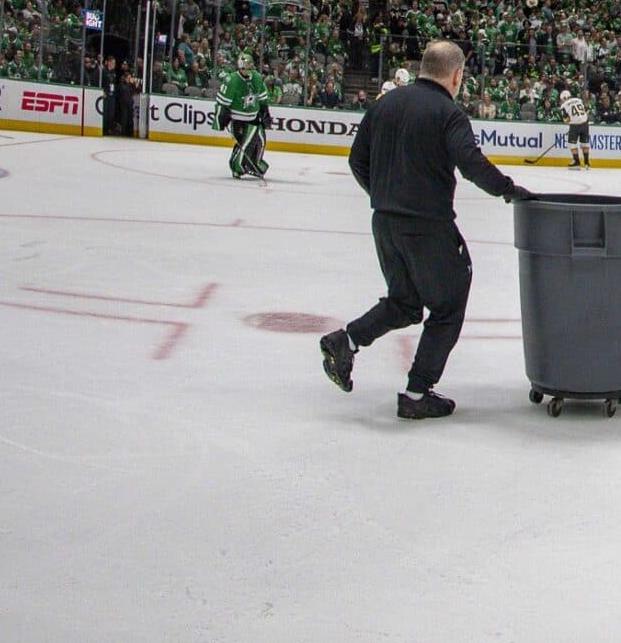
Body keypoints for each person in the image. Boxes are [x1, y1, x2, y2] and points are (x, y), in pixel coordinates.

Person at [319, 41, 532, 419]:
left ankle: (346, 340)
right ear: (457, 75)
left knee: (405, 303)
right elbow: (470, 163)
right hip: (428, 227)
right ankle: (417, 393)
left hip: (385, 223)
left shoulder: (384, 104)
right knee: (447, 307)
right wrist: (508, 190)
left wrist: (384, 196)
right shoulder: (448, 113)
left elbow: (356, 160)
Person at [216, 53, 274, 179]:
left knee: (260, 141)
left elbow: (262, 96)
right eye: (246, 65)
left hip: (254, 117)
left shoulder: (256, 77)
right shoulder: (231, 80)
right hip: (238, 119)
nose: (249, 67)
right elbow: (222, 102)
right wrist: (221, 118)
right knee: (246, 144)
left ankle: (254, 164)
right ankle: (237, 166)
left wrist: (265, 111)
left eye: (250, 64)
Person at [561, 90, 591, 168]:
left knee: (572, 143)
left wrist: (572, 121)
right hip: (585, 124)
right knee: (585, 143)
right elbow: (587, 111)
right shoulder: (578, 100)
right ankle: (586, 163)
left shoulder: (564, 105)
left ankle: (576, 162)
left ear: (564, 98)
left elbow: (566, 120)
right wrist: (581, 119)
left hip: (574, 126)